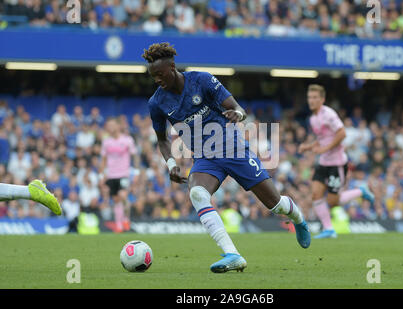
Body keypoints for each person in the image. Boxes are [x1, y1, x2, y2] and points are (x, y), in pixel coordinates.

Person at [143, 42, 310, 273]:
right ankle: (233, 254)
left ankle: (298, 218)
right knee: (197, 193)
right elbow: (162, 139)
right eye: (153, 77)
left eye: (160, 74)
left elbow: (237, 108)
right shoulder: (156, 102)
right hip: (204, 157)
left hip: (232, 147)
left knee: (276, 205)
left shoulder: (201, 80)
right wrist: (171, 163)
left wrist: (237, 114)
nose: (157, 80)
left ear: (172, 67)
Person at [298, 84, 374, 239]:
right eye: (309, 97)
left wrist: (325, 149)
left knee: (333, 201)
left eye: (314, 97)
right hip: (324, 162)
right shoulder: (313, 118)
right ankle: (329, 229)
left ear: (322, 99)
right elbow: (323, 139)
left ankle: (361, 191)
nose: (311, 100)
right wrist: (309, 147)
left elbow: (342, 134)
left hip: (337, 163)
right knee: (316, 195)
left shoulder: (329, 114)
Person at [99, 118, 138, 233]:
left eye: (112, 125)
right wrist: (101, 176)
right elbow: (103, 160)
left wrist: (136, 172)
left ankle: (126, 219)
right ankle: (119, 225)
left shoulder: (127, 140)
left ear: (118, 126)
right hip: (111, 175)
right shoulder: (106, 142)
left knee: (123, 196)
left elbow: (135, 156)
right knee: (116, 200)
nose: (110, 128)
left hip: (124, 174)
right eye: (108, 125)